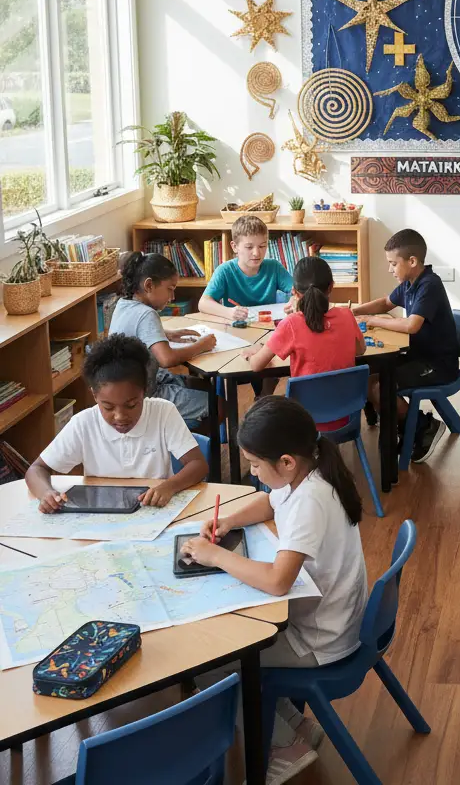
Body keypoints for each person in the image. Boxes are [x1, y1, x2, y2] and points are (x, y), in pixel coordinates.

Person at [180, 395, 368, 785]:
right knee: (234, 637)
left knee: (205, 661)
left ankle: (285, 747)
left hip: (320, 640)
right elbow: (269, 502)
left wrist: (215, 555)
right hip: (330, 620)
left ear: (285, 462)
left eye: (253, 464)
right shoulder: (310, 468)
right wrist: (229, 521)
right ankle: (295, 725)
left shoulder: (311, 501)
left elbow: (277, 580)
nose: (250, 470)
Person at [25, 334, 208, 511]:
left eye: (131, 405)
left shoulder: (163, 412)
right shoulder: (83, 423)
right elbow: (37, 469)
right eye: (108, 407)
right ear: (94, 396)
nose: (120, 416)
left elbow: (198, 465)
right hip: (102, 518)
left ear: (144, 391)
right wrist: (46, 493)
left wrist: (169, 487)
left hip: (152, 510)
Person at [351, 228, 460, 463]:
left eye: (393, 263)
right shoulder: (410, 281)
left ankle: (423, 425)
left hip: (438, 365)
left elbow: (412, 325)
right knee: (368, 376)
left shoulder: (429, 284)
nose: (390, 269)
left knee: (382, 388)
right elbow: (385, 303)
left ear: (412, 261)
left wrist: (369, 321)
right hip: (418, 356)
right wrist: (354, 311)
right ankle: (402, 425)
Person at [245, 256, 366, 432]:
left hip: (304, 424)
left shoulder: (292, 324)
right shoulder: (347, 315)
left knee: (260, 407)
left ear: (294, 292)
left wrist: (253, 353)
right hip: (345, 416)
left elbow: (257, 366)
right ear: (331, 286)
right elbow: (360, 350)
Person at [109, 252, 216, 428]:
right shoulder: (147, 314)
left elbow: (135, 330)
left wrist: (166, 334)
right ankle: (181, 444)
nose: (172, 297)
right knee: (218, 404)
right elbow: (166, 359)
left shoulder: (123, 303)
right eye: (170, 289)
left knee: (204, 387)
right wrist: (201, 346)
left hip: (129, 387)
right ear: (149, 285)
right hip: (143, 395)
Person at [198, 214, 293, 322]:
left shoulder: (274, 267)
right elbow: (203, 303)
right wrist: (228, 312)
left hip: (267, 326)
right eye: (249, 247)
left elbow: (300, 291)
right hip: (237, 329)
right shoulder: (225, 271)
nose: (257, 253)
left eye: (262, 246)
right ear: (234, 247)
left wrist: (294, 301)